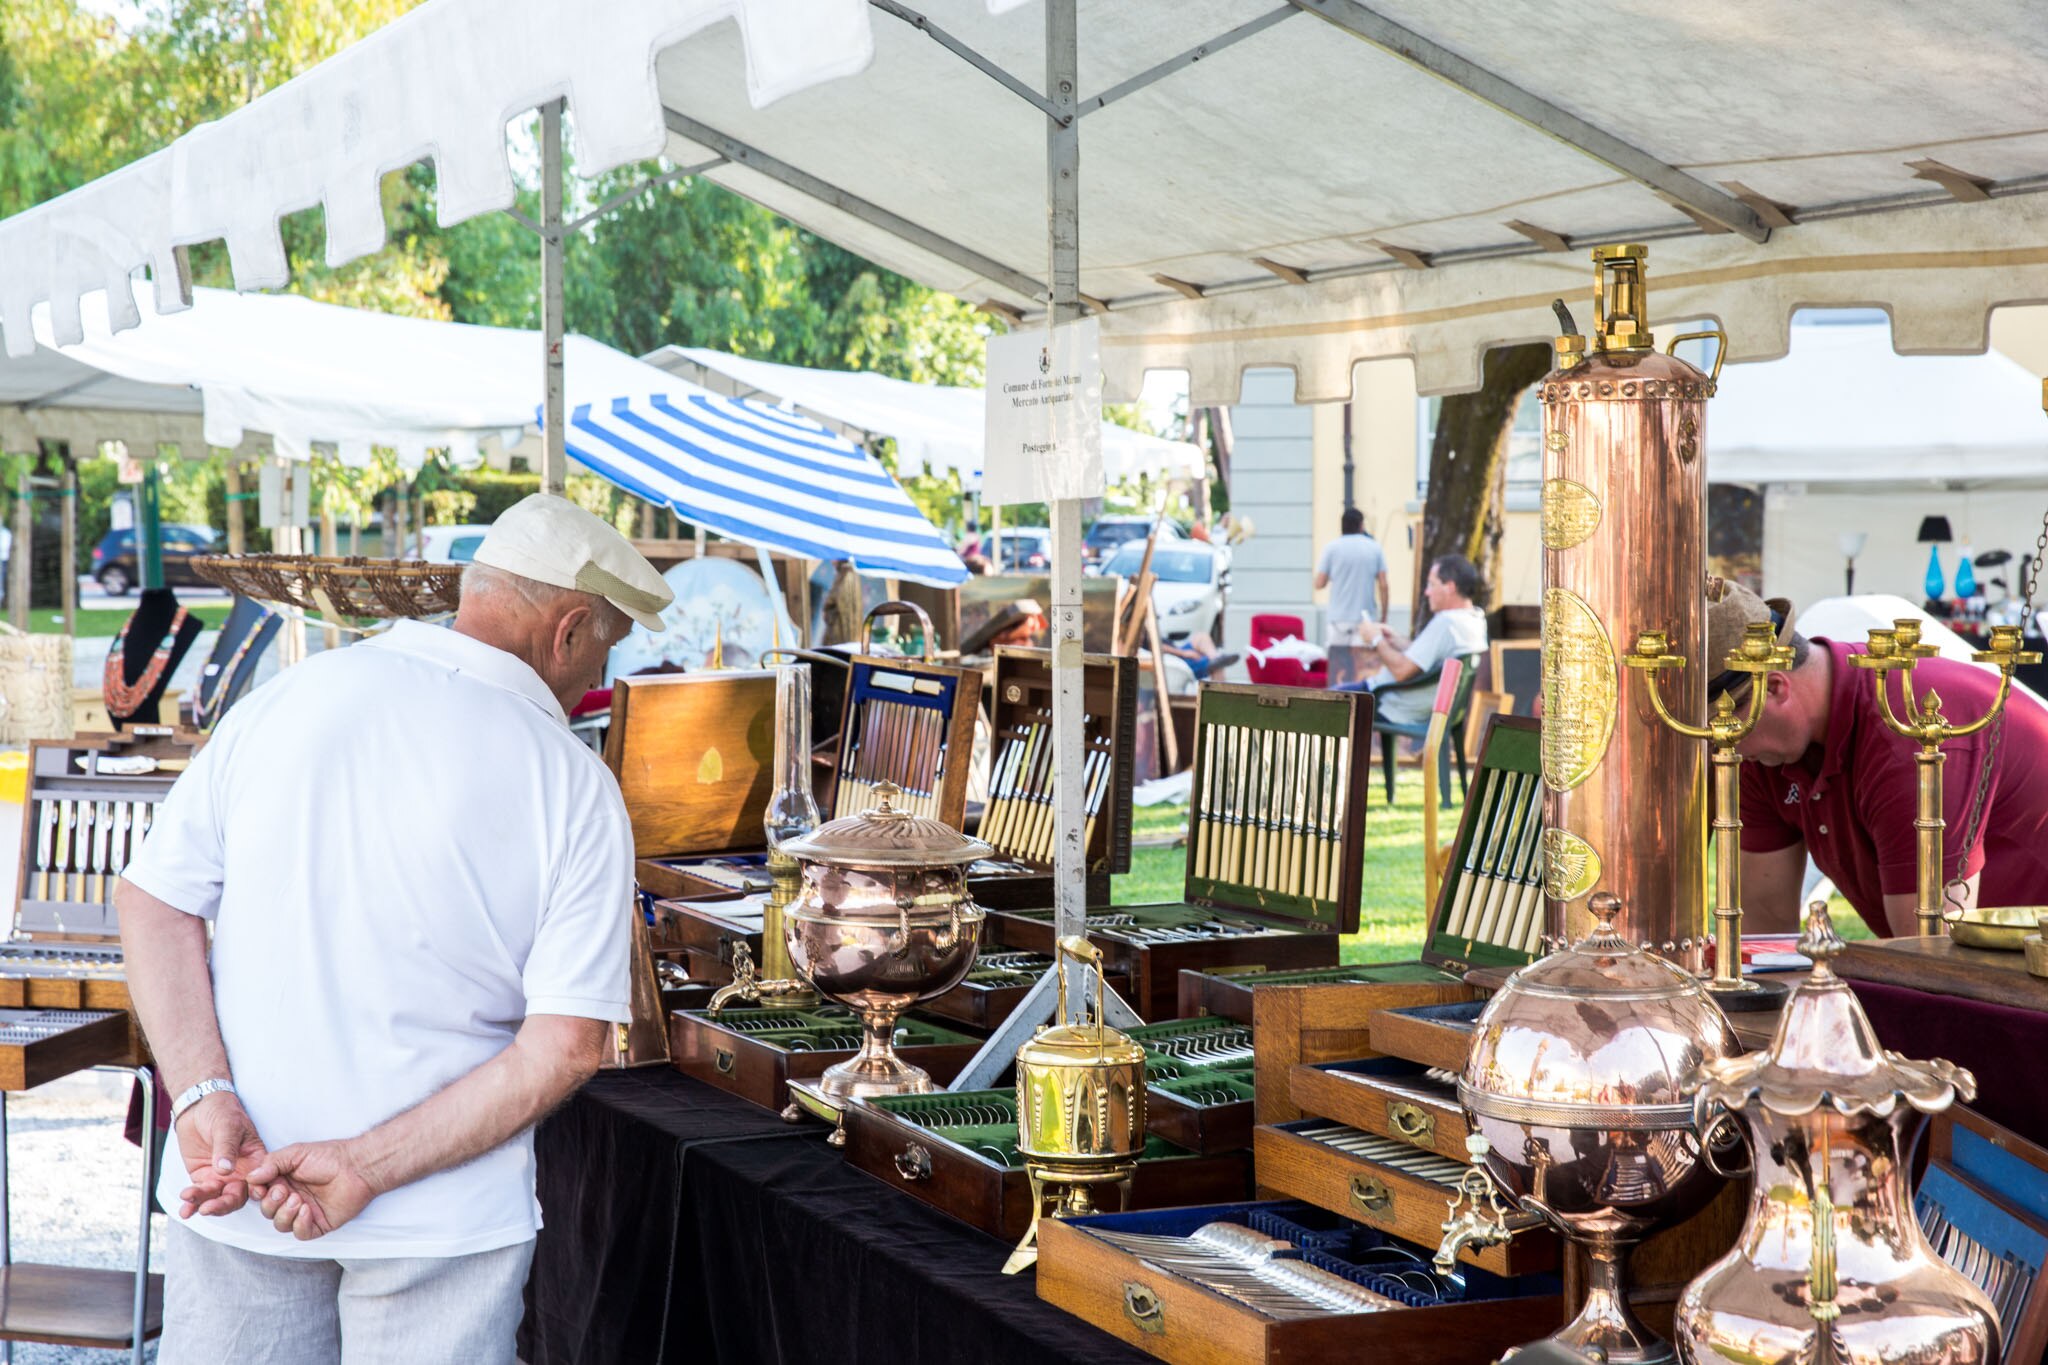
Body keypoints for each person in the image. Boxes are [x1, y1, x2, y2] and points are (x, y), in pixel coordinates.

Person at [115, 493, 674, 1364]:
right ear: (569, 633)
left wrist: (202, 1096)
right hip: (442, 1223)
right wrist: (366, 1165)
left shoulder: (285, 699)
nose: (597, 670)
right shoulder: (574, 783)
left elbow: (153, 899)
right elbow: (565, 1047)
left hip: (238, 1181)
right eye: (607, 645)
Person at [1711, 580, 2048, 939]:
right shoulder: (1763, 745)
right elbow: (1764, 929)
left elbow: (1931, 949)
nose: (1720, 745)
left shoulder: (1910, 737)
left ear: (1775, 688)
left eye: (1722, 725)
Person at [1336, 554, 1488, 726]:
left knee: (1322, 703)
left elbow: (1402, 671)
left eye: (1432, 584)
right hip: (1410, 702)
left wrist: (1376, 639)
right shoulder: (1475, 619)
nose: (1427, 592)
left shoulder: (1447, 623)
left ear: (1450, 587)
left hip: (1389, 702)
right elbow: (1430, 658)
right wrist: (1396, 640)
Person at [1312, 507, 1389, 645]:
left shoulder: (1331, 548)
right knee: (1364, 659)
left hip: (1338, 620)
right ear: (1361, 525)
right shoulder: (1374, 548)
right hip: (1365, 619)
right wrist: (1383, 616)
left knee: (1338, 659)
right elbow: (1383, 585)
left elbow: (1319, 584)